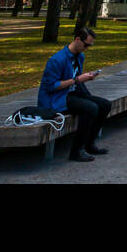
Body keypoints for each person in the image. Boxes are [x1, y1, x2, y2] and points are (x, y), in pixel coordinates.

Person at [38, 25, 111, 162]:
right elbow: (50, 87)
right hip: (55, 99)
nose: (87, 48)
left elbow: (76, 81)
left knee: (105, 105)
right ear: (77, 39)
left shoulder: (79, 56)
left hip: (71, 94)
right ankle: (77, 150)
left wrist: (84, 79)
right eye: (85, 45)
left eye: (89, 46)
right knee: (91, 108)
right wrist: (77, 79)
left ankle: (90, 144)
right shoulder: (57, 60)